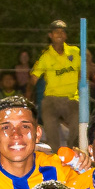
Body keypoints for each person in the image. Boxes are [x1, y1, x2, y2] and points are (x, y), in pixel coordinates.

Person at [33, 21, 82, 152]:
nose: (60, 34)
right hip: (52, 99)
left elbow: (83, 72)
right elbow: (33, 78)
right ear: (50, 35)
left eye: (62, 32)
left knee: (78, 122)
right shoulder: (45, 56)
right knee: (50, 125)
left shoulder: (75, 52)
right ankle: (54, 153)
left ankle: (72, 151)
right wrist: (28, 99)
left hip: (71, 98)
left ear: (66, 35)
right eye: (56, 32)